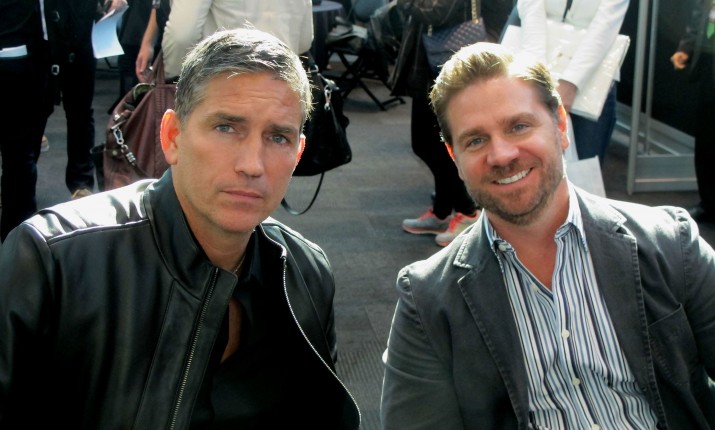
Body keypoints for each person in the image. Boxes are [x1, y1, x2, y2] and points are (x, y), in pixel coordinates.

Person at [0, 28, 360, 428]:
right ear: (172, 136)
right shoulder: (54, 263)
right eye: (226, 127)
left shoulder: (306, 272)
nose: (252, 164)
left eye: (278, 137)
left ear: (297, 154)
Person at [380, 42, 715, 429]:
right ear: (455, 158)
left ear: (560, 125)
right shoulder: (427, 300)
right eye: (476, 140)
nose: (502, 155)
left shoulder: (670, 242)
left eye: (518, 126)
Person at [392, 0, 512, 247]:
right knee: (428, 143)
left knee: (438, 144)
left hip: (457, 62)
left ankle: (467, 211)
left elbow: (436, 11)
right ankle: (443, 209)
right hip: (434, 60)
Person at [517, 0, 629, 164]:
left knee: (584, 166)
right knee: (525, 159)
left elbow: (606, 25)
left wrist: (571, 83)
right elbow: (531, 8)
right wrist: (538, 73)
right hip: (535, 67)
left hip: (592, 78)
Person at [0, 0, 55, 241]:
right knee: (19, 156)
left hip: (21, 57)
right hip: (21, 59)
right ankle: (17, 241)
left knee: (19, 157)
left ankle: (16, 236)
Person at [158, 0, 314, 80]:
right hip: (282, 84)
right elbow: (304, 41)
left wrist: (174, 79)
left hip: (223, 84)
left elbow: (181, 37)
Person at [671, 0, 715, 223]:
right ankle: (709, 203)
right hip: (709, 55)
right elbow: (702, 8)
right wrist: (686, 47)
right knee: (707, 133)